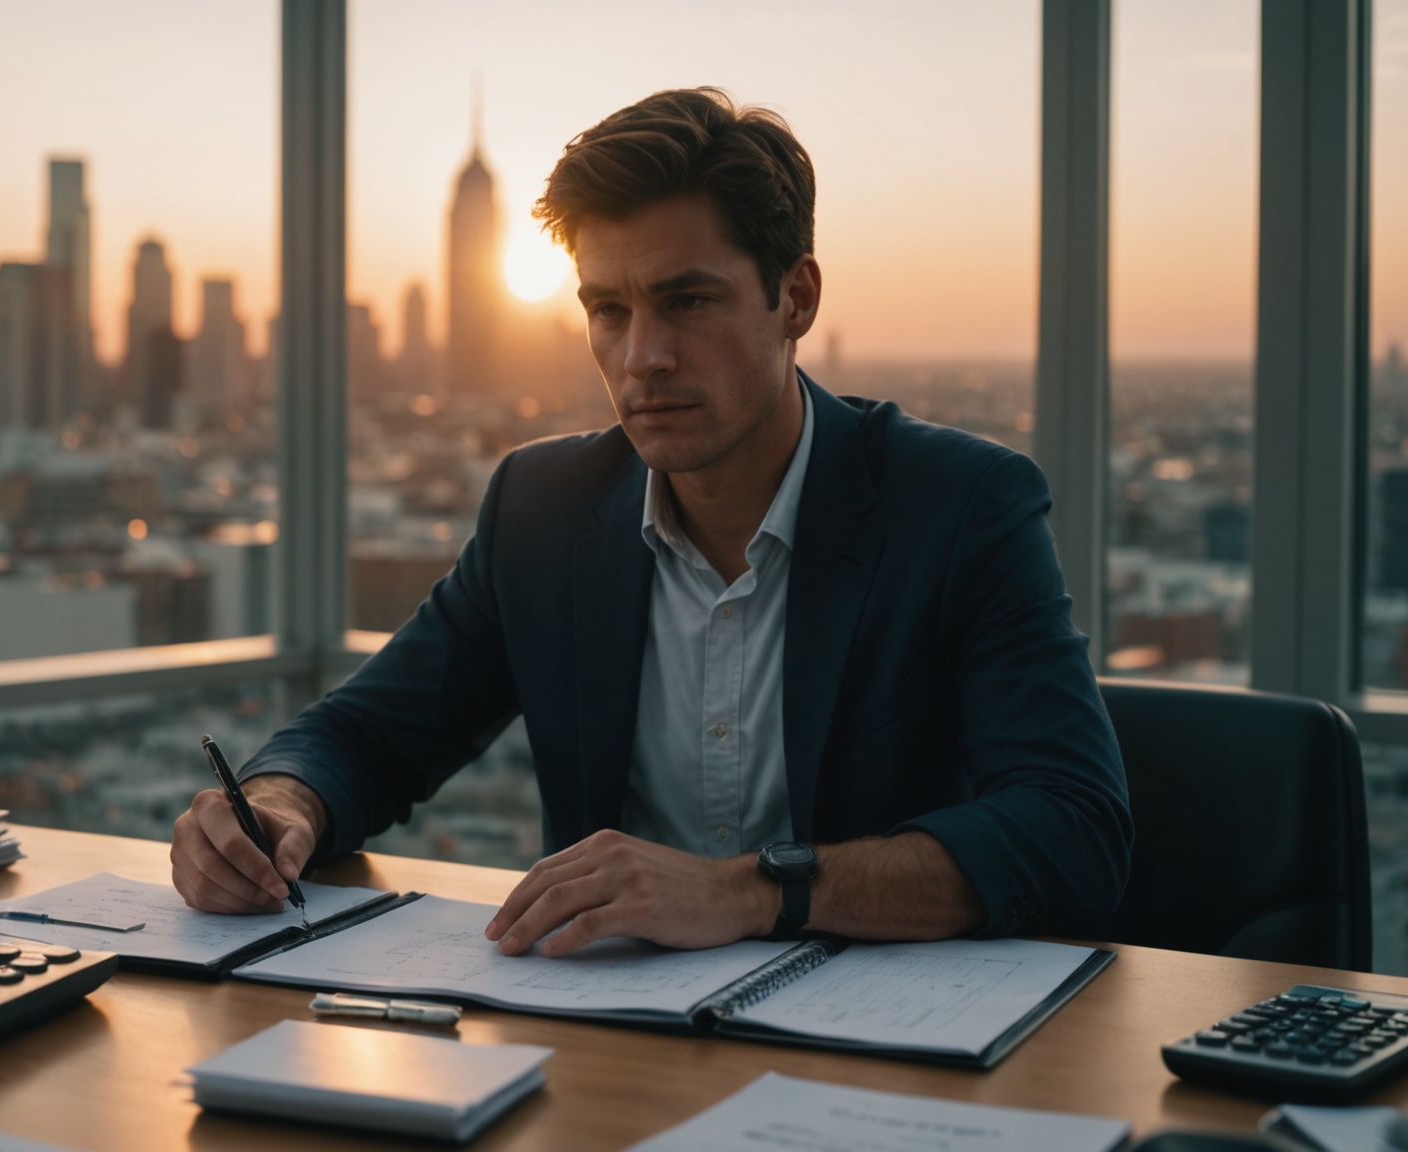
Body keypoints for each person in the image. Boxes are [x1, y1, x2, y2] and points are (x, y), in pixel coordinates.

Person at [172, 87, 1131, 957]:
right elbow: (371, 734)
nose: (644, 358)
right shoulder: (542, 511)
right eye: (608, 310)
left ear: (794, 299)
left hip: (889, 1054)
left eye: (688, 301)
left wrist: (748, 893)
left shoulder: (960, 507)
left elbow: (1072, 830)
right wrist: (274, 803)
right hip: (610, 1045)